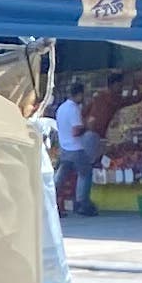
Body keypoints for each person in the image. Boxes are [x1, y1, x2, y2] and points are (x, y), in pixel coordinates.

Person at [49, 81, 92, 215]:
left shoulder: (61, 108)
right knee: (85, 174)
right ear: (79, 94)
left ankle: (51, 201)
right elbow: (76, 131)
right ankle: (82, 203)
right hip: (76, 148)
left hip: (64, 148)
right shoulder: (74, 109)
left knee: (60, 177)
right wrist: (87, 126)